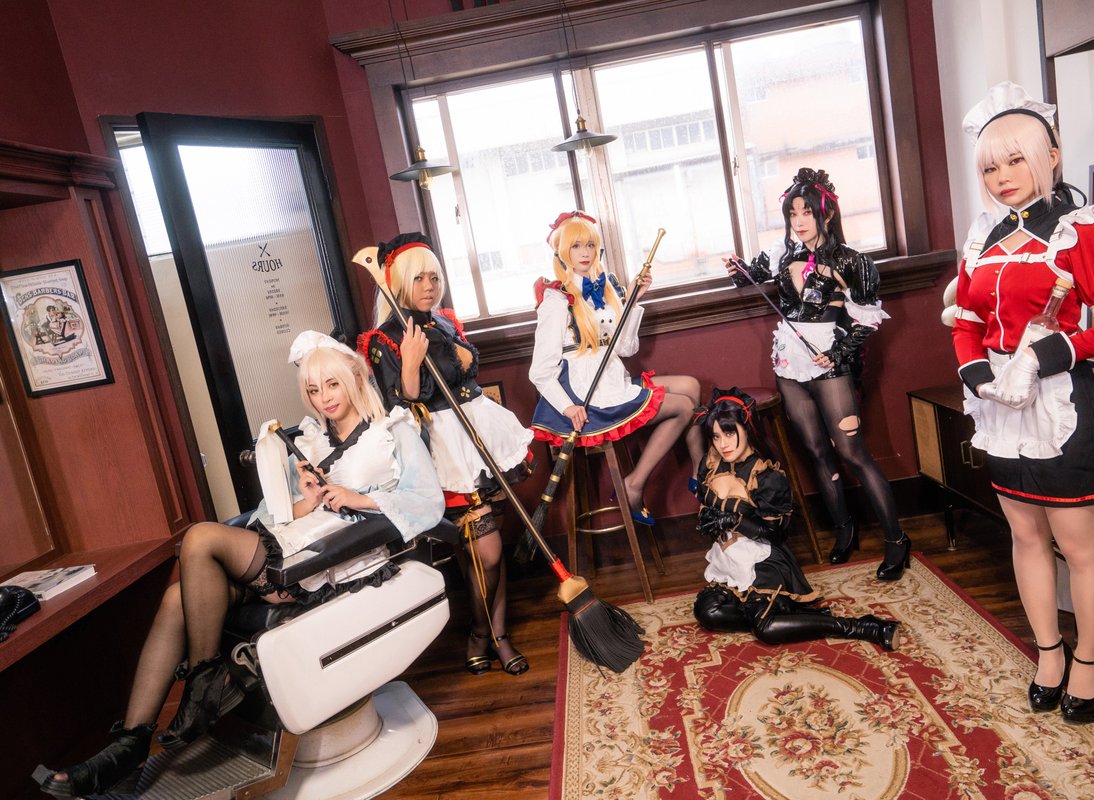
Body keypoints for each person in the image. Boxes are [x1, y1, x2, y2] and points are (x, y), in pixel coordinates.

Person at [37, 331, 445, 797]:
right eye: (313, 390)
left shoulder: (392, 431)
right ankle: (128, 749)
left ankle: (203, 681)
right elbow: (278, 513)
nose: (324, 399)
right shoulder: (309, 441)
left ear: (354, 376)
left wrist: (360, 499)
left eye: (332, 384)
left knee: (200, 537)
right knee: (177, 599)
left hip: (337, 563)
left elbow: (427, 501)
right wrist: (307, 499)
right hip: (296, 549)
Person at [952, 82, 1094, 724]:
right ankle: (1049, 653)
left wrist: (1044, 356)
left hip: (1063, 404)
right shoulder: (982, 235)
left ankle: (1088, 658)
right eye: (990, 168)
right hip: (999, 408)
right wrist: (977, 372)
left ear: (1050, 156)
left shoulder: (1085, 230)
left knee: (1078, 544)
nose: (1003, 177)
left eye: (1016, 160)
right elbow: (965, 318)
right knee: (1025, 534)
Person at [358, 233, 534, 676]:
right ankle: (481, 632)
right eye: (419, 278)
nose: (429, 286)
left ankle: (495, 634)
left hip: (480, 438)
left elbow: (466, 373)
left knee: (487, 551)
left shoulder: (446, 321)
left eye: (434, 277)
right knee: (481, 554)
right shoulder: (384, 339)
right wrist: (411, 361)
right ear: (398, 281)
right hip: (441, 450)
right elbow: (401, 404)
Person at [724, 168, 908, 579]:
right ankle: (844, 530)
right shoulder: (781, 253)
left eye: (807, 212)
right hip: (789, 363)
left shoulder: (851, 261)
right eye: (793, 213)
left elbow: (868, 318)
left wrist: (838, 352)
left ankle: (896, 540)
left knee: (851, 452)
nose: (799, 221)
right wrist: (736, 268)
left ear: (826, 213)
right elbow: (748, 277)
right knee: (817, 451)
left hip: (829, 364)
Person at [528, 211, 704, 522]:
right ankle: (634, 484)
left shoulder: (606, 288)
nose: (585, 252)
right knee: (684, 407)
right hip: (587, 395)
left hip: (612, 382)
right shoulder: (557, 299)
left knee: (692, 385)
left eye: (590, 245)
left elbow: (626, 348)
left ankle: (701, 472)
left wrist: (633, 299)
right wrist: (568, 407)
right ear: (562, 251)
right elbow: (539, 371)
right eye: (576, 246)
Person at [691, 387, 899, 649]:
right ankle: (779, 617)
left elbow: (775, 535)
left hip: (764, 560)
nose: (723, 444)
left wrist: (735, 521)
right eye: (716, 436)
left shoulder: (766, 476)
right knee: (708, 613)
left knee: (767, 630)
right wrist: (709, 518)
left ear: (747, 428)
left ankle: (861, 626)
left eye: (730, 433)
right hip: (729, 559)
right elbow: (705, 504)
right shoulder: (710, 464)